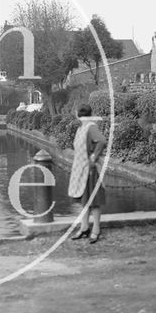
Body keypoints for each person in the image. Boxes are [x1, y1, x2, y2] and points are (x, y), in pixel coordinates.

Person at [68, 104, 107, 244]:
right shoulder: (81, 128)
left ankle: (96, 229)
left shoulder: (90, 127)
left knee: (94, 201)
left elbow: (102, 141)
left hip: (90, 170)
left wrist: (94, 157)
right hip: (80, 168)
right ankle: (84, 227)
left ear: (77, 114)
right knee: (84, 200)